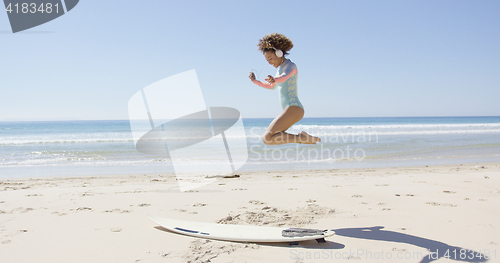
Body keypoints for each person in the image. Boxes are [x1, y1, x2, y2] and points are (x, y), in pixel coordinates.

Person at [249, 33, 321, 145]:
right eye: (266, 59)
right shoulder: (279, 70)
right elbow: (271, 86)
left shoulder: (290, 66)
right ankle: (302, 138)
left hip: (294, 108)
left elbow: (285, 77)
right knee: (269, 138)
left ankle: (302, 138)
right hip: (290, 109)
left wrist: (275, 79)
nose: (269, 62)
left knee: (267, 137)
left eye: (270, 58)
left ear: (279, 53)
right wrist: (255, 81)